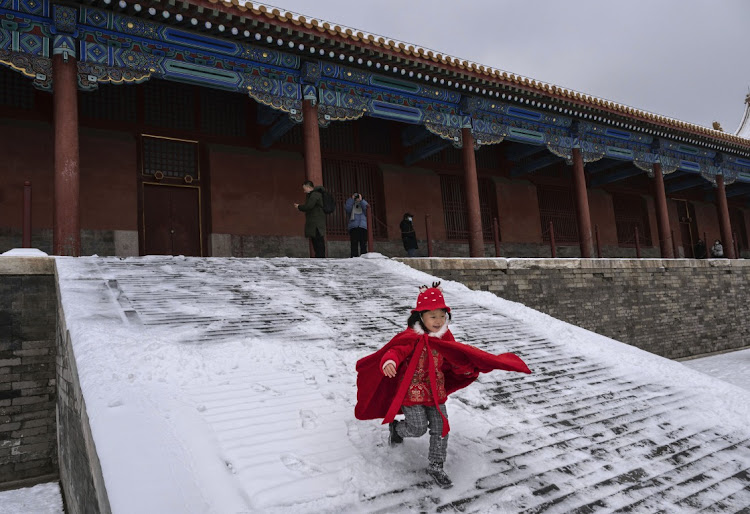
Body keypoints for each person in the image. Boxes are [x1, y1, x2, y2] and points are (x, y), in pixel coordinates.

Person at [354, 282, 531, 489]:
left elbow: (453, 356)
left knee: (441, 427)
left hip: (435, 392)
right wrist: (389, 361)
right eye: (432, 317)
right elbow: (396, 351)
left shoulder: (445, 336)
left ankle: (436, 465)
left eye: (442, 316)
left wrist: (464, 369)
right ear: (421, 317)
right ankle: (397, 429)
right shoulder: (411, 337)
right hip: (412, 393)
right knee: (417, 427)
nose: (438, 321)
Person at [294, 180, 326, 258]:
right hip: (316, 221)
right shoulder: (315, 194)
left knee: (318, 241)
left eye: (305, 189)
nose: (304, 191)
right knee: (317, 240)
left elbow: (309, 206)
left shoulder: (315, 195)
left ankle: (320, 257)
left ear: (309, 187)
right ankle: (319, 256)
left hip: (316, 222)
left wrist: (299, 207)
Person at [345, 193, 368, 257]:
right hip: (353, 225)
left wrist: (361, 200)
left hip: (362, 226)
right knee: (354, 243)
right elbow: (347, 209)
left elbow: (367, 209)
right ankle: (354, 256)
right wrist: (352, 199)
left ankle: (364, 256)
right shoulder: (351, 203)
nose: (357, 198)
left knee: (363, 243)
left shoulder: (363, 203)